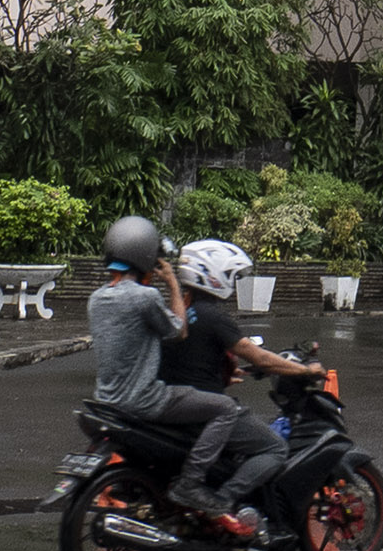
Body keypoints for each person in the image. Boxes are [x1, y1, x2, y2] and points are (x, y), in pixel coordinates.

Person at [89, 216, 257, 534]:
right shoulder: (145, 297)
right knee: (224, 409)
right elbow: (178, 330)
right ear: (144, 259)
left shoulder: (96, 299)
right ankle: (192, 484)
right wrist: (173, 285)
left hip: (108, 400)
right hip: (146, 400)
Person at [160, 239, 332, 531]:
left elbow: (195, 358)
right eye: (231, 275)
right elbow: (260, 357)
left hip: (181, 402)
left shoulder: (183, 312)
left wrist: (231, 372)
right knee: (275, 448)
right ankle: (222, 502)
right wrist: (305, 369)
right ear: (214, 275)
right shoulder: (214, 316)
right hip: (205, 409)